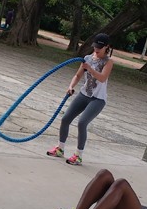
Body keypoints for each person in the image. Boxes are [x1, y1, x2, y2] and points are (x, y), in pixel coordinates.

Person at [46, 33, 114, 165]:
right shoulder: (87, 58)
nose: (97, 49)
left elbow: (102, 78)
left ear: (107, 47)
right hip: (84, 95)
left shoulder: (108, 61)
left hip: (97, 99)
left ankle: (78, 155)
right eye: (95, 46)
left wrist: (89, 68)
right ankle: (60, 148)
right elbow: (77, 76)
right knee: (65, 119)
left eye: (100, 47)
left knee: (82, 123)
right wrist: (71, 86)